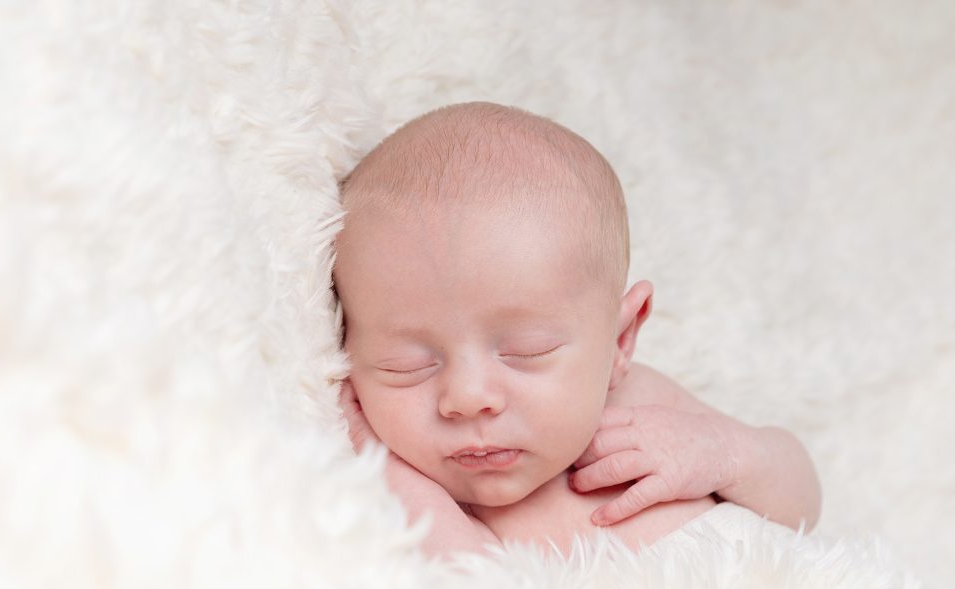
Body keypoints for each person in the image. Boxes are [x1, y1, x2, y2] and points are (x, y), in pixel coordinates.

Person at [333, 101, 820, 559]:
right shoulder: (431, 493)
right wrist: (389, 472)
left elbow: (802, 507)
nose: (468, 397)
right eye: (406, 366)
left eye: (527, 351)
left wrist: (728, 454)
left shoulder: (643, 410)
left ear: (620, 340)